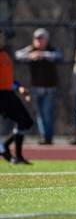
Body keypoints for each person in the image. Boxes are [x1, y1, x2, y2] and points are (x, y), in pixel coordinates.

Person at [15, 28, 62, 145]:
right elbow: (18, 54)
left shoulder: (51, 49)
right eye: (37, 39)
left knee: (47, 113)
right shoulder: (31, 49)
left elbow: (59, 55)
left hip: (50, 88)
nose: (39, 41)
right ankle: (44, 137)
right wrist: (32, 55)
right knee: (40, 114)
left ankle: (48, 138)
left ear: (47, 39)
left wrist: (43, 55)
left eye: (42, 38)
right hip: (36, 88)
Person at [0, 28, 34, 164]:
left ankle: (11, 150)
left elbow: (9, 78)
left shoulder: (5, 55)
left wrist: (19, 88)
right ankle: (6, 150)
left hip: (8, 94)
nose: (1, 39)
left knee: (26, 122)